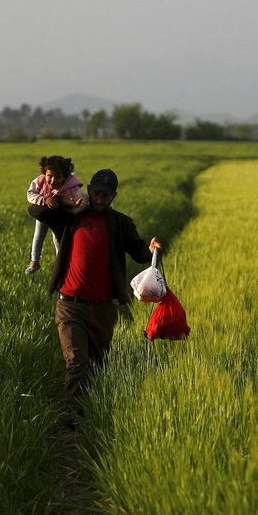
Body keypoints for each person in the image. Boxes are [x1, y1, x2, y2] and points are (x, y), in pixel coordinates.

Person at [29, 168, 161, 425]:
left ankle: (93, 416)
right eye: (97, 194)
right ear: (89, 190)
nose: (100, 200)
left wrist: (152, 248)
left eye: (106, 196)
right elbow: (36, 212)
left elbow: (140, 254)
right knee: (77, 362)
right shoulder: (70, 217)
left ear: (114, 197)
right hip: (69, 306)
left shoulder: (121, 224)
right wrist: (57, 198)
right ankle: (71, 420)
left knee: (98, 364)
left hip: (103, 310)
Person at [25, 155, 88, 275]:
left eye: (58, 177)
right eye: (50, 176)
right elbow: (30, 194)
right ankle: (34, 261)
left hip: (59, 216)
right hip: (43, 213)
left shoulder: (71, 188)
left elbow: (83, 201)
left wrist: (72, 210)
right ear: (45, 174)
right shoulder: (40, 181)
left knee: (58, 239)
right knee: (38, 236)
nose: (53, 180)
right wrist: (44, 199)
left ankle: (60, 264)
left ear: (65, 176)